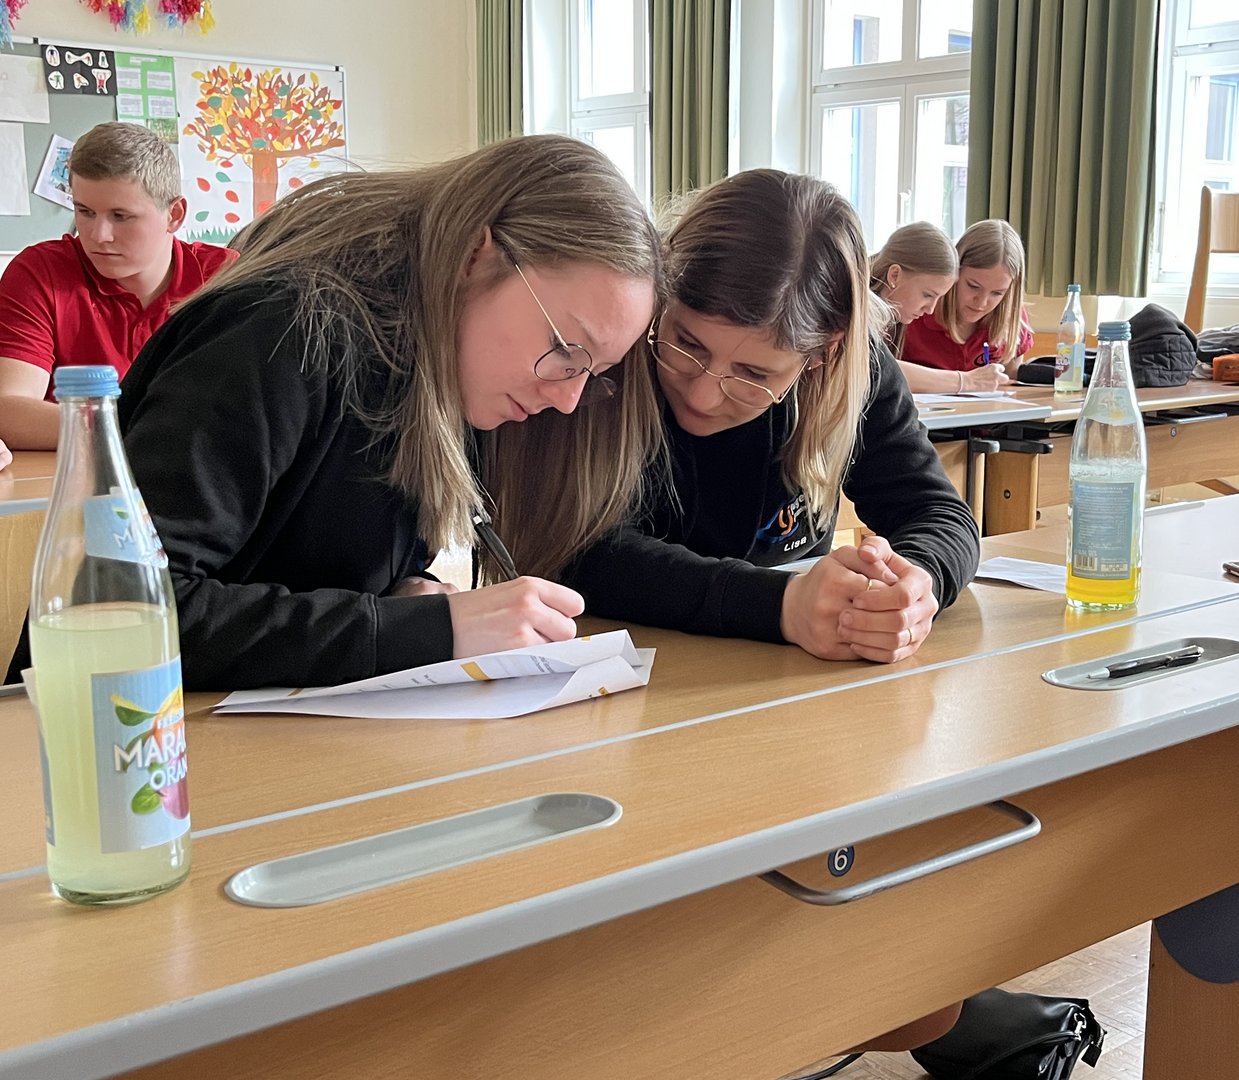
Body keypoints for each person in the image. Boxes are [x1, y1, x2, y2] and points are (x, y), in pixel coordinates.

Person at [5, 135, 665, 692]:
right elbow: (116, 611)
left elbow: (311, 561)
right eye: (566, 350)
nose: (568, 399)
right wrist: (420, 629)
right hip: (105, 748)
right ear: (475, 254)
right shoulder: (282, 330)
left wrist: (407, 592)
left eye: (592, 374)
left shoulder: (452, 370)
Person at [563, 167, 978, 1053]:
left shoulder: (856, 378)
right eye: (686, 345)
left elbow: (938, 515)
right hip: (606, 730)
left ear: (824, 354)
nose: (704, 390)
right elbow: (572, 550)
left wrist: (917, 586)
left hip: (776, 715)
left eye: (755, 374)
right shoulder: (612, 347)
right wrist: (781, 603)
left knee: (912, 992)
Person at [0, 122, 236, 450]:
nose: (99, 236)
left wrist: (98, 425)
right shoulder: (40, 272)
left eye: (120, 216)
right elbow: (9, 410)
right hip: (77, 475)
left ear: (175, 215)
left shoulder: (227, 278)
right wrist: (154, 427)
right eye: (85, 212)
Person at [898, 219, 1034, 395]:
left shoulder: (1013, 317)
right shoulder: (916, 310)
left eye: (997, 293)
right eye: (973, 286)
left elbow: (1011, 385)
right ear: (955, 271)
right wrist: (965, 381)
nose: (982, 303)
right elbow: (881, 373)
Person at [869, 221, 958, 357]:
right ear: (894, 275)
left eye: (938, 298)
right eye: (927, 295)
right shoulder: (853, 318)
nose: (930, 310)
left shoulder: (894, 318)